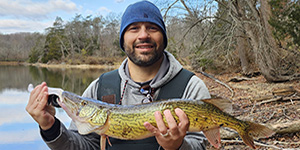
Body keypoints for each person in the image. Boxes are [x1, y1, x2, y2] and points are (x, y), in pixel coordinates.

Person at [26, 1, 211, 150]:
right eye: (134, 28)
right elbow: (84, 146)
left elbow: (201, 144)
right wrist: (50, 128)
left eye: (152, 28)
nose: (143, 35)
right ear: (123, 39)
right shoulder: (100, 87)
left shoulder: (191, 86)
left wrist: (176, 147)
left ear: (163, 37)